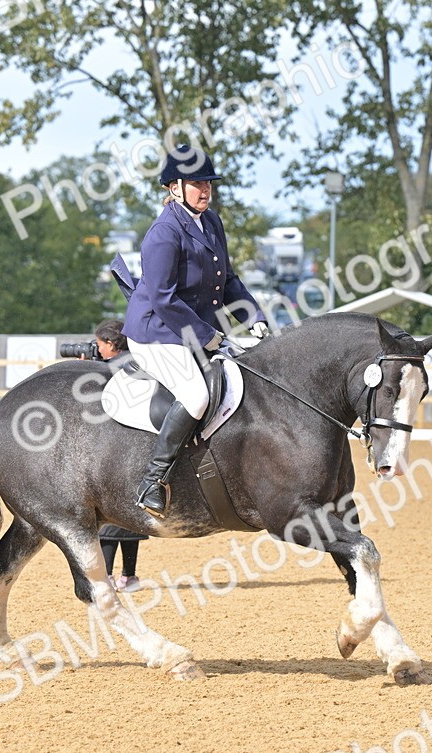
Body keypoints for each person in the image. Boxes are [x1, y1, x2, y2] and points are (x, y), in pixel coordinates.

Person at [121, 144, 269, 518]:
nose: (205, 190)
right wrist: (206, 336)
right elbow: (164, 298)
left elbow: (228, 279)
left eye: (208, 183)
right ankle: (152, 481)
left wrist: (254, 316)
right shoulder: (163, 234)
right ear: (175, 187)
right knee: (196, 396)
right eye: (196, 183)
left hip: (196, 327)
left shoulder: (211, 221)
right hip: (156, 331)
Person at [89, 320, 148, 591]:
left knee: (110, 523)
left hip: (116, 447)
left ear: (111, 344)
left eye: (100, 345)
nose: (97, 350)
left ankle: (110, 577)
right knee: (131, 518)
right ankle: (130, 576)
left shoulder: (113, 368)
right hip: (139, 447)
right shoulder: (138, 362)